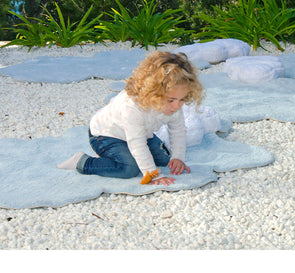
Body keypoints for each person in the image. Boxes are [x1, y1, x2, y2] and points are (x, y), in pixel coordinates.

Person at [57, 51, 203, 186]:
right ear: (153, 93)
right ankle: (82, 162)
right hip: (106, 135)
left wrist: (178, 157)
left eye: (182, 99)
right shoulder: (132, 108)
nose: (177, 106)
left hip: (140, 133)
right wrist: (152, 175)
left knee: (165, 159)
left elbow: (178, 130)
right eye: (171, 100)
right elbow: (137, 143)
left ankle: (117, 155)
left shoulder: (174, 103)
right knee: (129, 169)